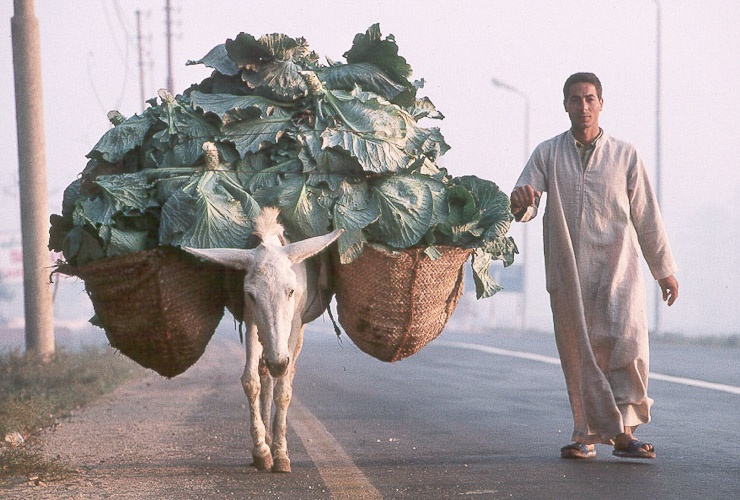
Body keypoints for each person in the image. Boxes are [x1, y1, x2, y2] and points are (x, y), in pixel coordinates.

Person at [510, 72, 678, 460]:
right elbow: (526, 204)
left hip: (619, 268)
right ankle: (583, 434)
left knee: (627, 346)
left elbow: (646, 215)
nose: (583, 107)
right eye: (575, 100)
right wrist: (522, 201)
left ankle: (626, 435)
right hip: (569, 271)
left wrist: (663, 269)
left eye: (589, 99)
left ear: (601, 103)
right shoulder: (548, 153)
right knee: (580, 352)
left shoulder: (625, 154)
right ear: (565, 105)